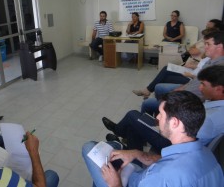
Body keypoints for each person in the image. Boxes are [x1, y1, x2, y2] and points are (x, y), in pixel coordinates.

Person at [83, 91, 224, 187]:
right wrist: (137, 154)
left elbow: (164, 175)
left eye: (161, 114)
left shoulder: (162, 177)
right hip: (144, 174)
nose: (157, 118)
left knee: (89, 147)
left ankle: (115, 144)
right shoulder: (207, 155)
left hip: (136, 181)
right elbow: (171, 161)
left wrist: (115, 184)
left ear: (175, 123)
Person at [102, 65, 224, 153]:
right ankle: (129, 151)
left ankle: (119, 131)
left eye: (203, 84)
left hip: (171, 143)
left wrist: (163, 126)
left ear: (218, 89)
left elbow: (185, 143)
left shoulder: (211, 120)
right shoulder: (215, 104)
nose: (200, 88)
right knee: (137, 123)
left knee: (132, 115)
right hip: (179, 134)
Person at [132, 27, 218, 99]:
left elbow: (203, 77)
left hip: (191, 78)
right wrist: (193, 66)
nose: (205, 45)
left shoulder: (216, 60)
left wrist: (191, 75)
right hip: (191, 72)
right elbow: (201, 66)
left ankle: (153, 95)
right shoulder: (209, 56)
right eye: (205, 43)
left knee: (165, 78)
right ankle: (149, 91)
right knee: (166, 68)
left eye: (208, 44)